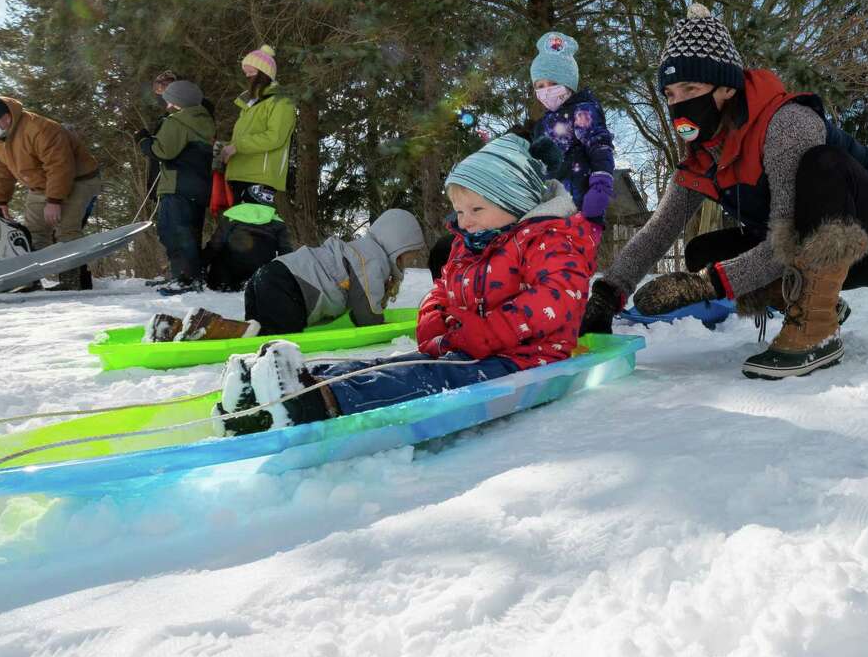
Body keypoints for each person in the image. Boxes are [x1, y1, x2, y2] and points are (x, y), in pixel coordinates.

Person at [580, 4, 868, 379]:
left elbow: (784, 241)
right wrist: (607, 294)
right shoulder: (703, 155)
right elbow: (659, 229)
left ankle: (818, 329)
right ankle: (815, 298)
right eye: (672, 94)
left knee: (823, 163)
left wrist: (707, 286)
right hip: (813, 244)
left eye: (691, 88)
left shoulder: (786, 124)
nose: (679, 103)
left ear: (727, 87)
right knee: (703, 250)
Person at [211, 133, 597, 436]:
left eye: (476, 209)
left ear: (517, 204)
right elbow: (443, 289)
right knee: (392, 364)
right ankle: (282, 388)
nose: (465, 221)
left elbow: (556, 299)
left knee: (426, 378)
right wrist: (433, 318)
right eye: (460, 211)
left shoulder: (549, 240)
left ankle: (318, 402)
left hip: (522, 359)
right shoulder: (472, 242)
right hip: (466, 347)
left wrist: (487, 334)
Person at [0, 95, 102, 290]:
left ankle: (74, 280)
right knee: (32, 233)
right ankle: (31, 279)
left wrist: (54, 200)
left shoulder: (40, 128)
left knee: (66, 228)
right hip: (40, 184)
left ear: (6, 117)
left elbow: (60, 166)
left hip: (78, 179)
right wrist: (0, 202)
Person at [242, 208, 426, 335]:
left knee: (258, 329)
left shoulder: (360, 249)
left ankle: (243, 331)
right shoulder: (373, 257)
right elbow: (366, 307)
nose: (414, 259)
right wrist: (378, 325)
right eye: (412, 252)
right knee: (280, 340)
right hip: (289, 284)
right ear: (399, 245)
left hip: (270, 275)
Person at [134, 80, 216, 295]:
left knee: (173, 232)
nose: (167, 104)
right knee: (190, 232)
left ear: (177, 101)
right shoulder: (204, 120)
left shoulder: (177, 122)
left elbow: (163, 151)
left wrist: (143, 140)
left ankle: (185, 279)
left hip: (177, 185)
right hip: (199, 187)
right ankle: (188, 276)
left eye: (168, 99)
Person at [527, 31, 616, 224]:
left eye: (553, 83)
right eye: (539, 85)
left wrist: (601, 185)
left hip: (579, 207)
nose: (546, 90)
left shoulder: (582, 111)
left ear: (568, 83)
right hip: (545, 209)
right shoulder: (541, 125)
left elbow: (598, 145)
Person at [220, 44, 297, 203]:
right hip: (239, 174)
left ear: (265, 74)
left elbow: (275, 137)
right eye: (245, 72)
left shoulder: (281, 101)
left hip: (260, 177)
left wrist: (237, 146)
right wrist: (225, 148)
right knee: (237, 226)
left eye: (251, 72)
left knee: (251, 226)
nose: (247, 76)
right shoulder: (249, 105)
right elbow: (245, 139)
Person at [201, 183, 294, 292]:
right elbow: (286, 252)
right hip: (260, 272)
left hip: (229, 270)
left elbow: (215, 244)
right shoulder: (278, 222)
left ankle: (222, 283)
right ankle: (250, 283)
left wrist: (201, 264)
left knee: (222, 254)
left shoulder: (233, 215)